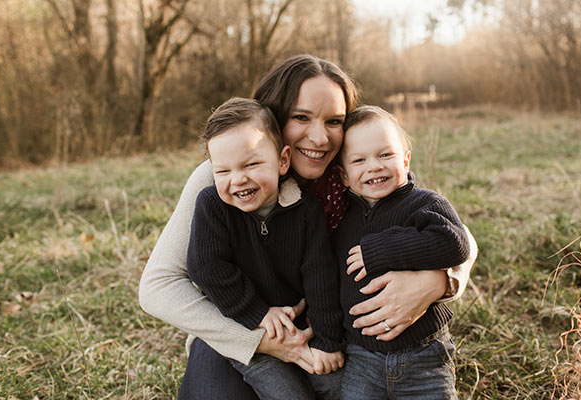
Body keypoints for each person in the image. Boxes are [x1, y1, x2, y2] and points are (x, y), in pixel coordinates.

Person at [138, 54, 478, 399]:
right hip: (234, 330)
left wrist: (439, 282)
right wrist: (263, 341)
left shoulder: (355, 172)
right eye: (301, 117)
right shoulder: (226, 176)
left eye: (334, 121)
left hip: (326, 334)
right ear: (274, 117)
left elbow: (457, 235)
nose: (319, 138)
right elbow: (158, 285)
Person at [186, 97, 343, 399]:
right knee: (288, 393)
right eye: (223, 171)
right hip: (248, 331)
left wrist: (328, 341)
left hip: (301, 326)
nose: (238, 179)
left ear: (282, 161)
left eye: (251, 164)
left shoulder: (306, 210)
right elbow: (206, 267)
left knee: (335, 384)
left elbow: (320, 276)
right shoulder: (212, 206)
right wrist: (257, 312)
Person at [334, 105, 468, 399]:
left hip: (424, 355)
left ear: (405, 160)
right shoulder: (341, 217)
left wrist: (384, 247)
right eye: (359, 160)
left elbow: (456, 243)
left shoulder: (424, 204)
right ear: (343, 176)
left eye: (386, 155)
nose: (375, 166)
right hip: (361, 358)